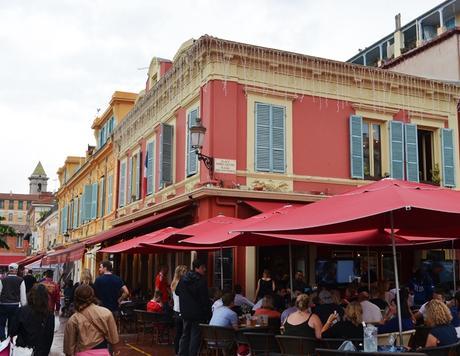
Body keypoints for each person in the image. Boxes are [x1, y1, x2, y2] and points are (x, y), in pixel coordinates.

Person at [64, 284, 119, 355]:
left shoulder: (73, 319)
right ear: (93, 295)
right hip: (102, 352)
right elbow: (114, 339)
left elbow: (69, 347)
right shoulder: (106, 313)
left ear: (76, 298)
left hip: (82, 352)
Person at [176, 260, 211, 356]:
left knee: (185, 334)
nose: (205, 269)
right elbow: (204, 299)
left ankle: (182, 354)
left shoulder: (183, 279)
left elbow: (177, 292)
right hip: (197, 313)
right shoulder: (201, 281)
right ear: (196, 268)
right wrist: (208, 313)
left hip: (185, 312)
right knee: (195, 336)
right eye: (203, 267)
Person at [9, 284, 55, 355]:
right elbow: (49, 338)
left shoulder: (21, 311)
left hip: (22, 350)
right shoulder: (49, 315)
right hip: (39, 351)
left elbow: (12, 331)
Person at [0, 263, 27, 340]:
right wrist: (24, 307)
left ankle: (2, 339)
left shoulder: (2, 280)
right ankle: (10, 339)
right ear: (16, 270)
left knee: (1, 324)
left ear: (9, 270)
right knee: (12, 324)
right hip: (15, 305)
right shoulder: (21, 280)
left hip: (3, 304)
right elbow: (23, 296)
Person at [171, 264, 188, 356]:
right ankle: (182, 351)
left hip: (175, 310)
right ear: (181, 273)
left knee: (178, 332)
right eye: (185, 271)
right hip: (182, 310)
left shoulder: (173, 283)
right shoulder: (182, 283)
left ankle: (177, 351)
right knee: (184, 333)